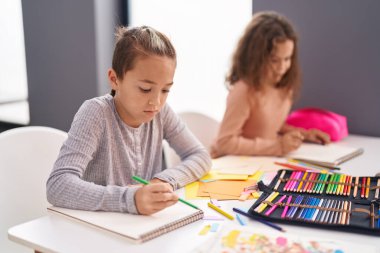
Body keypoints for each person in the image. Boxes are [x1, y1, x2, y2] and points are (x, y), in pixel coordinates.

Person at [47, 26, 211, 215]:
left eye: (165, 90)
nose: (156, 102)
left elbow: (200, 156)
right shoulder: (96, 113)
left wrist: (163, 181)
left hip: (138, 228)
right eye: (144, 89)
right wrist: (130, 199)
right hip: (98, 228)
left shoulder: (161, 113)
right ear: (115, 79)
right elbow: (58, 185)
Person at [210, 11, 330, 158]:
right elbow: (225, 142)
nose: (282, 68)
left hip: (261, 162)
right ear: (256, 57)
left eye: (287, 59)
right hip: (232, 165)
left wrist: (303, 135)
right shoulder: (244, 91)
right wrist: (277, 146)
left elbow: (268, 127)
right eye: (274, 60)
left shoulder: (284, 87)